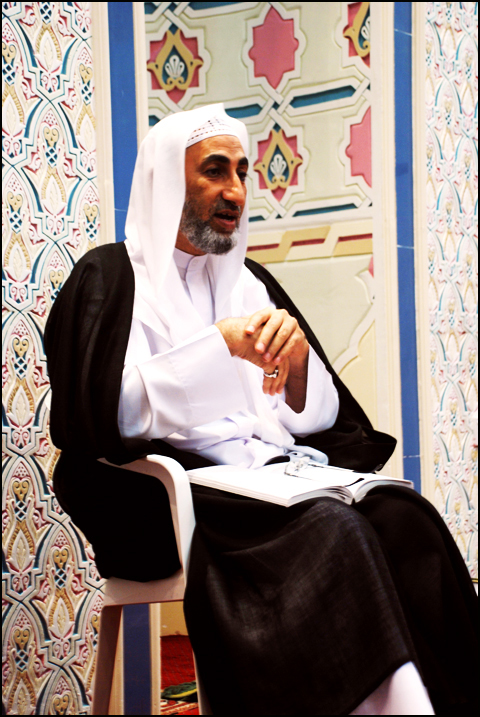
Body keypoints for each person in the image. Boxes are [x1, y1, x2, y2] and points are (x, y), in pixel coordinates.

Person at [45, 104, 477, 715]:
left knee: (407, 519)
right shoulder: (112, 278)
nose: (236, 191)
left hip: (268, 481)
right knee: (333, 529)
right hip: (169, 496)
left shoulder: (250, 281)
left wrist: (297, 367)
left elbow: (321, 421)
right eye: (215, 171)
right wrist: (219, 347)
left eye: (242, 172)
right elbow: (103, 414)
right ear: (167, 180)